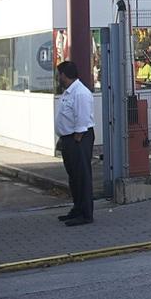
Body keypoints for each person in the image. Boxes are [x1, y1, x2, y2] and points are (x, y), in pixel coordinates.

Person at [53, 60, 96, 226]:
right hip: (69, 139)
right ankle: (77, 209)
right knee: (74, 177)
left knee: (82, 176)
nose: (58, 79)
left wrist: (76, 138)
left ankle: (86, 214)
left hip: (78, 139)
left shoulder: (80, 93)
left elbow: (82, 119)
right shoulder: (69, 92)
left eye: (59, 75)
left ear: (65, 75)